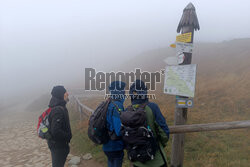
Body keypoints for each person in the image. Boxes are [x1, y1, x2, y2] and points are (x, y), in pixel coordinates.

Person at [129, 80, 169, 167]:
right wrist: (160, 144)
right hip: (156, 160)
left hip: (137, 161)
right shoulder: (152, 107)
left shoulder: (127, 111)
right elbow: (164, 132)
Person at [103, 81, 126, 167]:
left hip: (107, 145)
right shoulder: (117, 106)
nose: (125, 92)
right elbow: (118, 130)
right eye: (123, 90)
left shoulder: (108, 102)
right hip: (115, 146)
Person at [47, 86, 72, 167]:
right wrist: (68, 136)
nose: (67, 94)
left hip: (58, 145)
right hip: (58, 146)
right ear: (61, 94)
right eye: (65, 92)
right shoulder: (57, 110)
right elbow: (55, 131)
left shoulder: (57, 107)